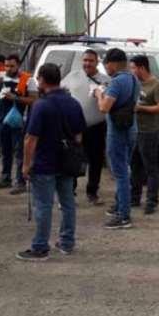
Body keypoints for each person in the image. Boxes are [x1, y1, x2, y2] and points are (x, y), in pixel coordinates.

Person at [16, 63, 86, 261]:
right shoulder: (73, 103)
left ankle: (40, 247)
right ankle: (67, 242)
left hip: (44, 163)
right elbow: (79, 136)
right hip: (66, 163)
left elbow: (31, 139)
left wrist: (26, 164)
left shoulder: (41, 105)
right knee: (67, 202)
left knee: (44, 205)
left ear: (42, 80)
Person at [94, 48, 140, 229]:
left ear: (112, 63)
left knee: (120, 174)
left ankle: (123, 216)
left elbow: (104, 108)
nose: (105, 67)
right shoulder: (134, 79)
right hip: (131, 128)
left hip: (117, 131)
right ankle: (121, 206)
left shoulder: (116, 82)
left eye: (106, 63)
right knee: (125, 170)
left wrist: (99, 94)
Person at [63, 49, 111, 205]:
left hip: (96, 127)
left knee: (95, 161)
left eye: (91, 60)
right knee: (73, 159)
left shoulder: (106, 80)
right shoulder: (73, 76)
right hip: (75, 127)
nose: (87, 63)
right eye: (85, 60)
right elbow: (60, 91)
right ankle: (70, 192)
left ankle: (92, 192)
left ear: (97, 62)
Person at [0, 54, 38, 195]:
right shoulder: (0, 77)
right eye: (6, 66)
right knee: (5, 150)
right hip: (2, 119)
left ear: (19, 65)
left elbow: (34, 100)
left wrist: (15, 97)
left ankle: (20, 181)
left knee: (19, 151)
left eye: (12, 66)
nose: (8, 68)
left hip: (18, 120)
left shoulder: (28, 79)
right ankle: (5, 178)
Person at [129, 55, 159, 215]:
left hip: (149, 131)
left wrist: (140, 108)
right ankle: (134, 197)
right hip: (135, 131)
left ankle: (152, 201)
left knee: (150, 167)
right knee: (135, 165)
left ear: (142, 68)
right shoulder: (135, 84)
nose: (132, 71)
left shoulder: (157, 85)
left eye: (133, 68)